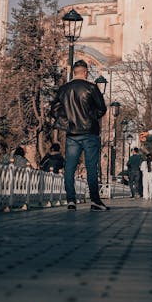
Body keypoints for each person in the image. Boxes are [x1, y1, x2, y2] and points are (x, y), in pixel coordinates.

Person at [50, 59, 108, 211]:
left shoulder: (64, 89)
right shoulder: (91, 87)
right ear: (85, 72)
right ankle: (95, 201)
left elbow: (54, 110)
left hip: (72, 134)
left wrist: (67, 122)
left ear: (74, 72)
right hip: (90, 133)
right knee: (91, 167)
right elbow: (102, 108)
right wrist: (91, 117)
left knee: (69, 167)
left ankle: (71, 200)